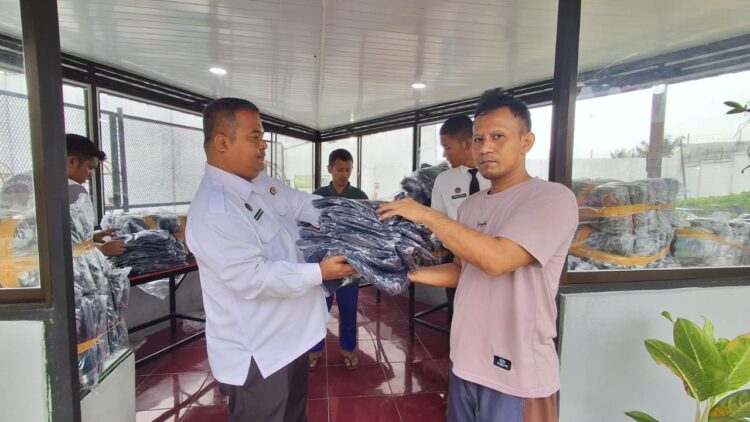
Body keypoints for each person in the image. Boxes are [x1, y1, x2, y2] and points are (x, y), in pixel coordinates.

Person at [378, 90, 578, 422]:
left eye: (498, 136)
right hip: (465, 363)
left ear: (526, 142)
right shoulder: (470, 206)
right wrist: (398, 272)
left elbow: (498, 260)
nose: (485, 148)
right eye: (478, 139)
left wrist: (426, 214)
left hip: (517, 375)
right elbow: (463, 270)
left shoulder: (551, 199)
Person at [185, 97, 354, 422]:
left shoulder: (260, 184)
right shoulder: (214, 210)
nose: (264, 145)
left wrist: (362, 218)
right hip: (260, 355)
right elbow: (252, 277)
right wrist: (320, 272)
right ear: (222, 142)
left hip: (292, 340)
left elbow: (302, 204)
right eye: (254, 137)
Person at [308, 148, 368, 371]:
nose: (344, 174)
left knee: (348, 309)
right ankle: (314, 349)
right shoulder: (319, 195)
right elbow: (310, 227)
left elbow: (367, 229)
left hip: (350, 264)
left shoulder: (359, 196)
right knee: (318, 309)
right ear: (330, 169)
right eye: (339, 170)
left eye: (348, 170)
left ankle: (348, 349)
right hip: (324, 264)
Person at [430, 115, 490, 322]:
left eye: (448, 147)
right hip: (456, 258)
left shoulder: (494, 177)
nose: (444, 154)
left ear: (467, 143)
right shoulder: (443, 180)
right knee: (459, 315)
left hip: (492, 256)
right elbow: (437, 220)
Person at [66, 134, 125, 257]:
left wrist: (91, 237)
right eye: (89, 167)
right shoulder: (70, 194)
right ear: (72, 161)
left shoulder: (43, 187)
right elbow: (58, 251)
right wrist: (101, 250)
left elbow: (64, 239)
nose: (90, 174)